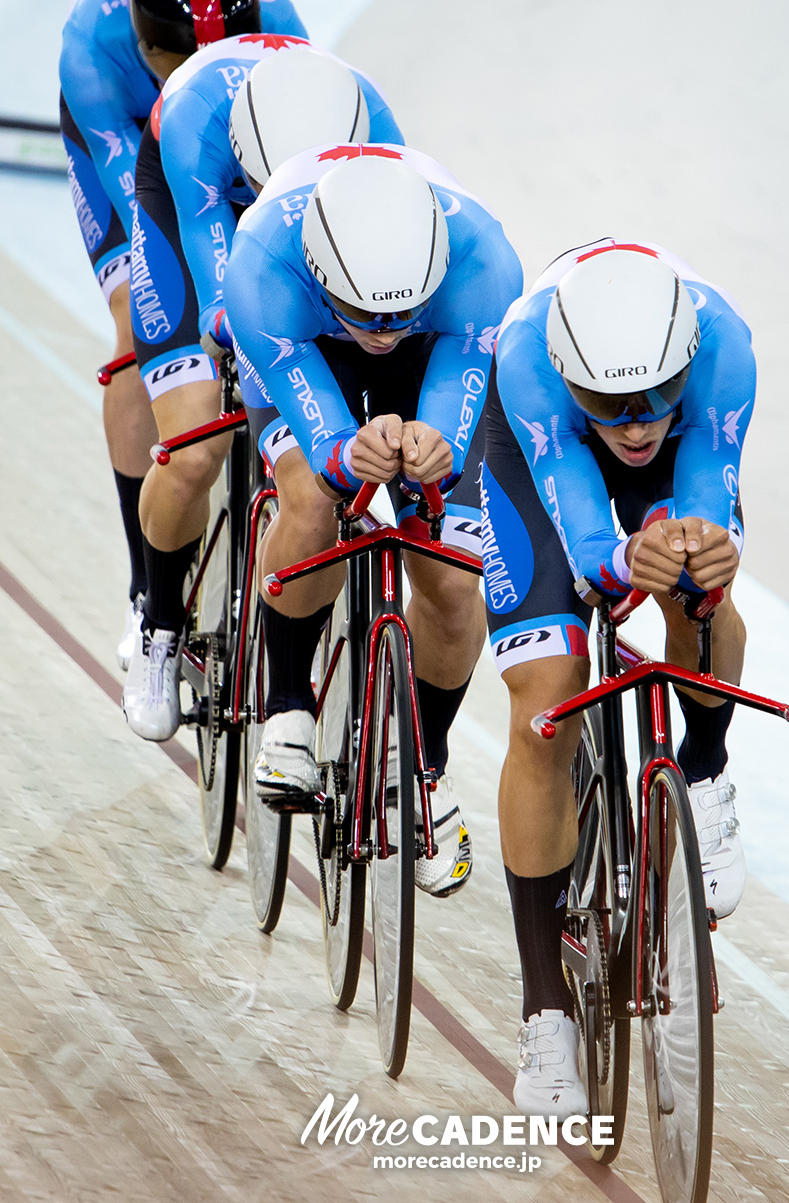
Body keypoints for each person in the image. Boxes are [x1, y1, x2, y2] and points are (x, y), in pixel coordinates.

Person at [477, 240, 756, 1114]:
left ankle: (704, 780)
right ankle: (544, 1012)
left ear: (685, 366)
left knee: (697, 582)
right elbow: (581, 527)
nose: (635, 424)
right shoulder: (527, 357)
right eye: (611, 404)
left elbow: (707, 485)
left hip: (680, 465)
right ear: (571, 373)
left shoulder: (725, 350)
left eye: (651, 403)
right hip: (541, 463)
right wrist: (613, 559)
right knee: (545, 704)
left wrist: (695, 551)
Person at [223, 144, 523, 896]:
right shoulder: (261, 268)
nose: (384, 327)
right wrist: (341, 453)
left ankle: (419, 763)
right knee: (312, 495)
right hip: (305, 344)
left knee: (454, 588)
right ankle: (287, 707)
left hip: (443, 345)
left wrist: (438, 448)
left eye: (400, 310)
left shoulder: (485, 265)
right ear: (326, 276)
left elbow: (453, 411)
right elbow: (326, 451)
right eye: (368, 313)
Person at [121, 38, 403, 739]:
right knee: (192, 450)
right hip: (202, 216)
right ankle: (157, 618)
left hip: (315, 253)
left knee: (322, 479)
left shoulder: (378, 133)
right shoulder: (196, 125)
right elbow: (227, 300)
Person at [58, 0, 307, 677]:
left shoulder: (280, 22)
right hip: (131, 158)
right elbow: (145, 200)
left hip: (230, 148)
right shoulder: (91, 47)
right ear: (144, 48)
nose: (195, 76)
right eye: (177, 65)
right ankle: (148, 592)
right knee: (144, 313)